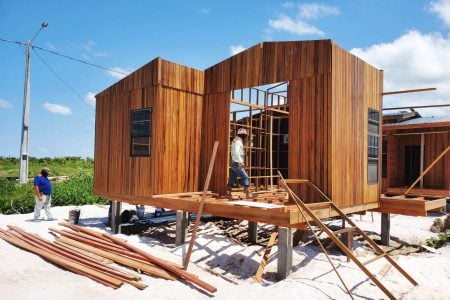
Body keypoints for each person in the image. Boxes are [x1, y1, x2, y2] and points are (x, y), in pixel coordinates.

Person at [226, 128, 255, 199]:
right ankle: (248, 193)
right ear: (243, 135)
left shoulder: (235, 141)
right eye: (245, 135)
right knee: (245, 176)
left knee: (232, 177)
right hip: (237, 162)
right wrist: (241, 161)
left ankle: (228, 192)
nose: (245, 137)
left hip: (233, 162)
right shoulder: (238, 142)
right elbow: (236, 152)